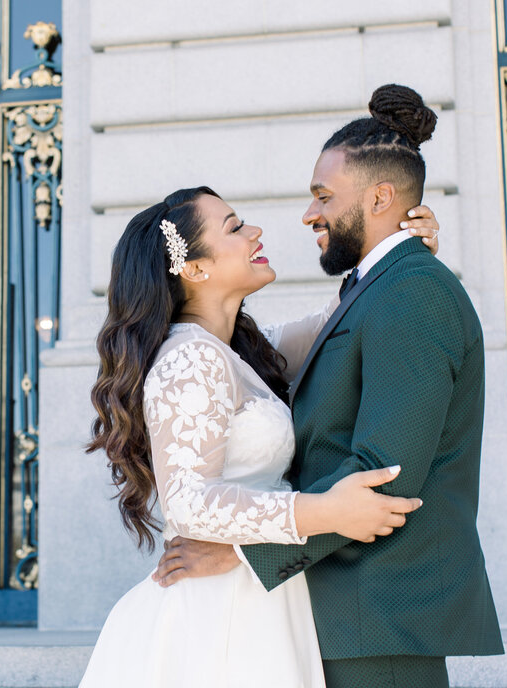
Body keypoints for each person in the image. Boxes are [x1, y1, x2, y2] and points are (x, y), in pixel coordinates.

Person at [153, 84, 505, 688]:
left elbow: (384, 477)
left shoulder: (412, 292)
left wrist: (240, 556)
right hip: (337, 614)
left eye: (322, 197)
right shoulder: (379, 291)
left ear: (381, 198)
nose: (308, 215)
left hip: (378, 618)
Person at [80, 178, 440, 686]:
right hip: (220, 612)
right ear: (197, 267)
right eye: (235, 227)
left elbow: (342, 319)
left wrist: (400, 247)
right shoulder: (191, 357)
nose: (256, 232)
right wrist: (327, 510)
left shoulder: (239, 354)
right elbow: (188, 501)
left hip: (259, 591)